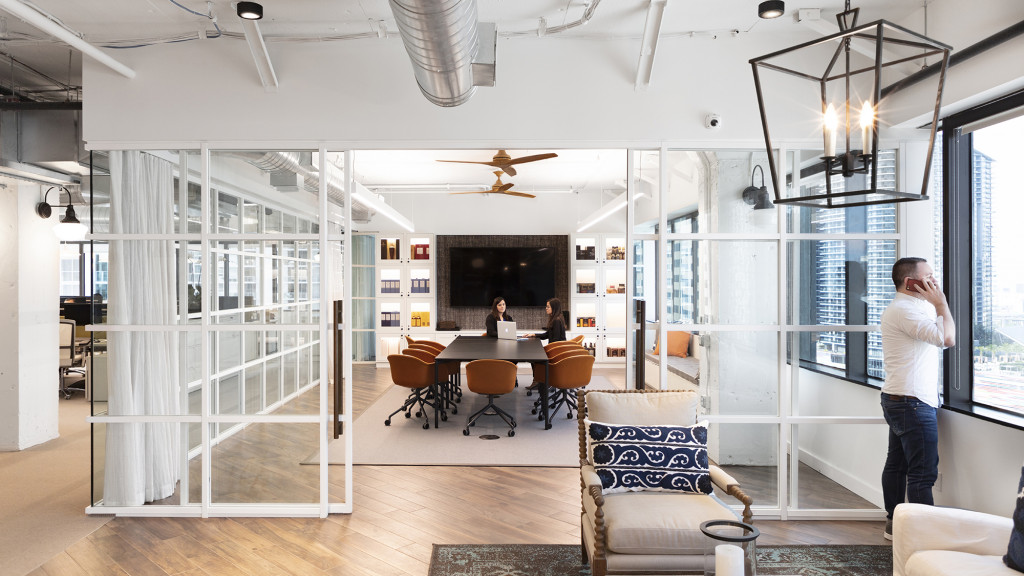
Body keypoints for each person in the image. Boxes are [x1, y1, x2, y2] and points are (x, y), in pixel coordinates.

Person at [879, 257, 955, 541]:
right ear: (911, 283)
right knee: (922, 473)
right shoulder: (905, 311)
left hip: (902, 398)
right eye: (929, 276)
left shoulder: (910, 307)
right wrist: (941, 304)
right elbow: (947, 339)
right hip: (911, 402)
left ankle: (895, 524)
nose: (934, 281)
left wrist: (934, 305)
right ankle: (924, 535)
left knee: (897, 465)